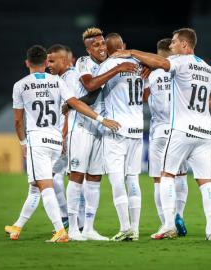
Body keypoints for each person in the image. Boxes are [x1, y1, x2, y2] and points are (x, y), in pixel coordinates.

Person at [113, 28, 211, 240]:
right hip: (204, 132)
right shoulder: (209, 69)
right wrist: (196, 111)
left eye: (173, 42)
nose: (171, 47)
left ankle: (168, 225)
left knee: (166, 175)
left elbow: (163, 64)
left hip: (180, 129)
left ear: (184, 45)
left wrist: (132, 52)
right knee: (205, 181)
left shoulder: (180, 62)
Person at [6, 45, 120, 242]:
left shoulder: (20, 85)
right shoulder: (57, 81)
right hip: (56, 141)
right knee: (36, 186)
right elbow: (76, 104)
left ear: (27, 63)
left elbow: (17, 121)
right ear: (45, 62)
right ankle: (17, 226)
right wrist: (101, 120)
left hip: (37, 141)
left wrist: (23, 142)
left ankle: (60, 229)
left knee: (45, 185)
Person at [65, 27, 137, 241]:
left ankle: (88, 228)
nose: (102, 47)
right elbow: (90, 85)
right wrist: (118, 68)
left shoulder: (109, 64)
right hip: (82, 126)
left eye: (103, 43)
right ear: (88, 49)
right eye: (95, 45)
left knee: (95, 178)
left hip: (103, 128)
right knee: (77, 176)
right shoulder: (83, 64)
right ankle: (72, 230)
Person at [97, 33, 145, 241]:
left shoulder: (107, 65)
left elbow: (92, 88)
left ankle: (125, 226)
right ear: (124, 45)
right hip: (137, 128)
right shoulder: (139, 63)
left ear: (107, 49)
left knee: (116, 176)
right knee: (132, 178)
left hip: (117, 128)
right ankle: (134, 229)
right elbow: (146, 92)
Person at [143, 38, 189, 237]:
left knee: (158, 179)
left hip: (159, 131)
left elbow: (142, 98)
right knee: (179, 176)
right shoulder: (183, 73)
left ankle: (165, 222)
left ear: (157, 54)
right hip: (180, 131)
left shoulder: (151, 75)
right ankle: (179, 214)